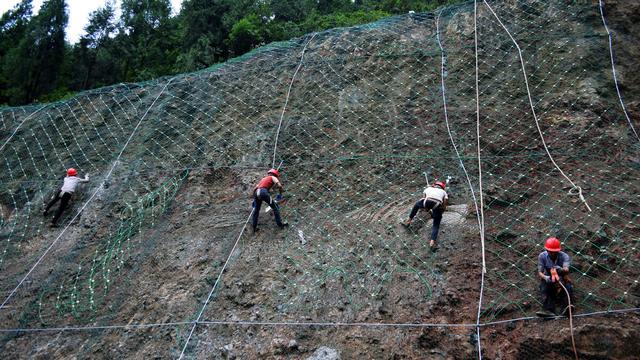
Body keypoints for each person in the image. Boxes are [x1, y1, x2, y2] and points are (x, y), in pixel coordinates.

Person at [536, 237, 574, 317]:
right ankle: (548, 310)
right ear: (547, 250)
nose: (552, 253)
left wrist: (560, 269)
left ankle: (566, 308)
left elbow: (566, 269)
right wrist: (546, 278)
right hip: (548, 277)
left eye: (555, 252)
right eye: (550, 252)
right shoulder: (542, 256)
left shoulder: (564, 256)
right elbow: (540, 272)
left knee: (568, 286)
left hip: (561, 276)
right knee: (544, 286)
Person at [403, 180, 448, 248]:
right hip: (437, 204)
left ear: (434, 185)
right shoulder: (444, 192)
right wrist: (441, 212)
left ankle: (408, 221)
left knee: (417, 204)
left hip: (426, 202)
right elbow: (444, 205)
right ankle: (432, 242)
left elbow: (424, 198)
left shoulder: (428, 188)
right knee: (436, 224)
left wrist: (425, 208)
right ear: (442, 187)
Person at [251, 169, 288, 233]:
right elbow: (279, 185)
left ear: (269, 173)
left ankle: (254, 227)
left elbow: (254, 189)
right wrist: (281, 192)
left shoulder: (263, 179)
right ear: (275, 175)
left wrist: (254, 199)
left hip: (257, 193)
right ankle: (280, 224)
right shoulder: (273, 177)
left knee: (256, 210)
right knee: (275, 207)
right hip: (263, 192)